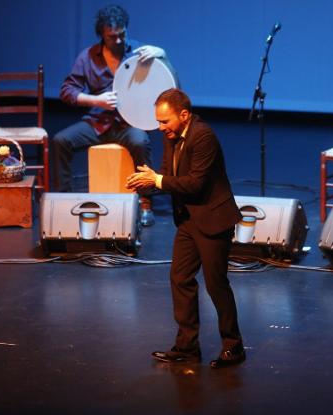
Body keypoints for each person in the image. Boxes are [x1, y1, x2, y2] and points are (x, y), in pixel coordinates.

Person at [126, 88, 245, 368]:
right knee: (180, 278)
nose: (160, 127)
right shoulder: (170, 136)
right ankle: (187, 346)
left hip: (213, 220)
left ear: (184, 115)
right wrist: (148, 181)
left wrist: (155, 181)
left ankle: (234, 346)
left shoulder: (203, 136)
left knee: (216, 285)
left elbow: (195, 183)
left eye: (165, 121)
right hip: (189, 219)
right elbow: (168, 175)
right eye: (158, 121)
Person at [53, 4, 168, 226]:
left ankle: (145, 201)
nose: (117, 40)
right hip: (98, 122)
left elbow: (165, 74)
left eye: (121, 34)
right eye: (111, 36)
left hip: (127, 123)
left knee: (140, 142)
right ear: (102, 35)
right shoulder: (87, 57)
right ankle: (63, 200)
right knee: (60, 141)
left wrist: (161, 53)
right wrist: (95, 100)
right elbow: (67, 92)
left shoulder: (138, 52)